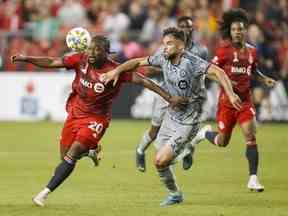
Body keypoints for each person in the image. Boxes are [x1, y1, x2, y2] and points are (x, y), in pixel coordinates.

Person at [11, 35, 187, 207]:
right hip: (74, 114)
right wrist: (27, 58)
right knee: (64, 156)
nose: (92, 53)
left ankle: (44, 194)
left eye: (97, 49)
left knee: (72, 155)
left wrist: (170, 98)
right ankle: (92, 151)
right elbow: (52, 62)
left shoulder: (117, 70)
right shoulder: (81, 60)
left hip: (97, 119)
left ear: (106, 53)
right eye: (90, 49)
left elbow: (144, 81)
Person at [100, 27, 241, 206]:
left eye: (169, 44)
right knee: (161, 161)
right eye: (163, 43)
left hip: (190, 119)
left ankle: (196, 139)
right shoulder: (162, 58)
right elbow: (137, 62)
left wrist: (230, 93)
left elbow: (219, 72)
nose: (164, 47)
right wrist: (116, 71)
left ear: (181, 46)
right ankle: (176, 189)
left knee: (161, 160)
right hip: (171, 114)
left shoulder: (192, 62)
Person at [182, 9, 276, 192]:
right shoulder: (223, 52)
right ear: (230, 32)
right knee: (222, 141)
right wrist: (225, 82)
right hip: (226, 103)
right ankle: (203, 134)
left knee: (250, 134)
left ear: (245, 30)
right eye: (234, 29)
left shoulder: (253, 52)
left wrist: (264, 79)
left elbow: (253, 70)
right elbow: (210, 72)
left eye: (240, 29)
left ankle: (253, 178)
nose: (237, 32)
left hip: (245, 101)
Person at [135, 16, 209, 172]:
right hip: (166, 94)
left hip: (188, 98)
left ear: (192, 29)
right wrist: (168, 67)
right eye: (181, 26)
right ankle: (140, 151)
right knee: (154, 130)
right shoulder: (167, 46)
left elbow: (205, 72)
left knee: (183, 132)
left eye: (188, 26)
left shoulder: (201, 50)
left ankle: (187, 149)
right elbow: (149, 68)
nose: (185, 29)